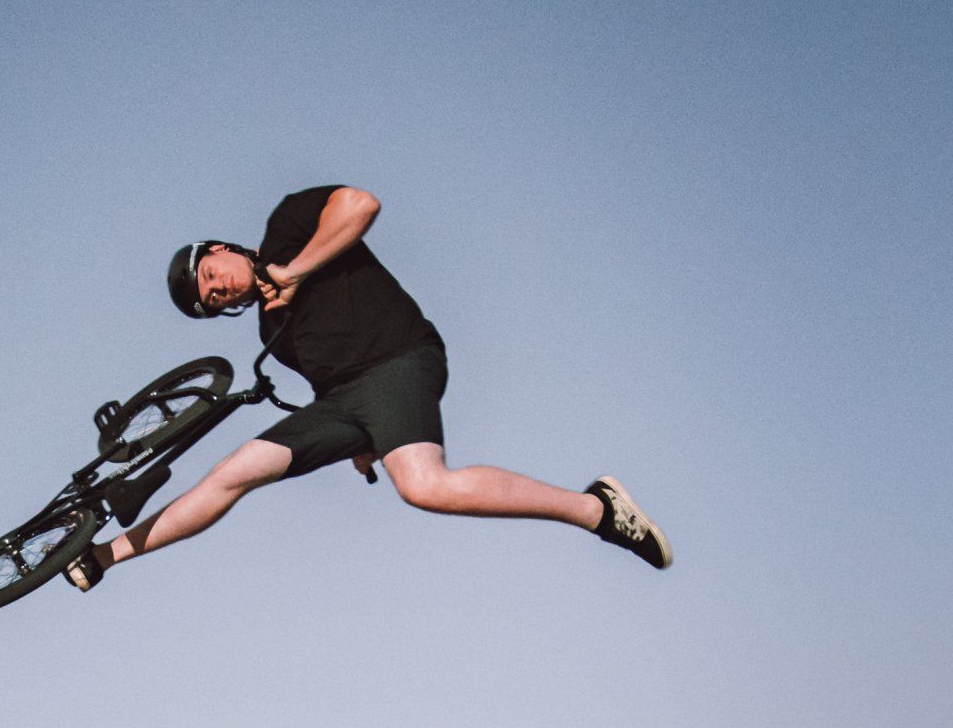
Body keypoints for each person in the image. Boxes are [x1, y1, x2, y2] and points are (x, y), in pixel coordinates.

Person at [64, 184, 672, 589]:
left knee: (426, 486)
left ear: (221, 249)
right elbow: (332, 381)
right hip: (349, 401)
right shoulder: (271, 327)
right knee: (236, 469)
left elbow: (361, 205)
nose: (219, 290)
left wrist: (293, 270)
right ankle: (106, 555)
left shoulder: (287, 226)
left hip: (402, 358)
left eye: (211, 276)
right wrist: (363, 443)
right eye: (211, 299)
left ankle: (598, 510)